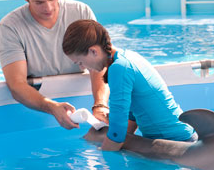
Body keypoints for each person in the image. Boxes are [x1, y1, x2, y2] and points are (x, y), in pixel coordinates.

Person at [0, 0, 109, 130]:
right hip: (36, 107)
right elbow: (17, 85)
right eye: (39, 2)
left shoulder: (81, 12)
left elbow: (99, 64)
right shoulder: (9, 27)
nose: (48, 8)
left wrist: (100, 104)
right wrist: (51, 107)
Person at [62, 19, 196, 151]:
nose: (83, 67)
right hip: (183, 138)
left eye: (80, 62)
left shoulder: (119, 68)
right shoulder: (126, 58)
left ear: (93, 51)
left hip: (176, 144)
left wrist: (101, 156)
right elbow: (132, 113)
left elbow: (117, 131)